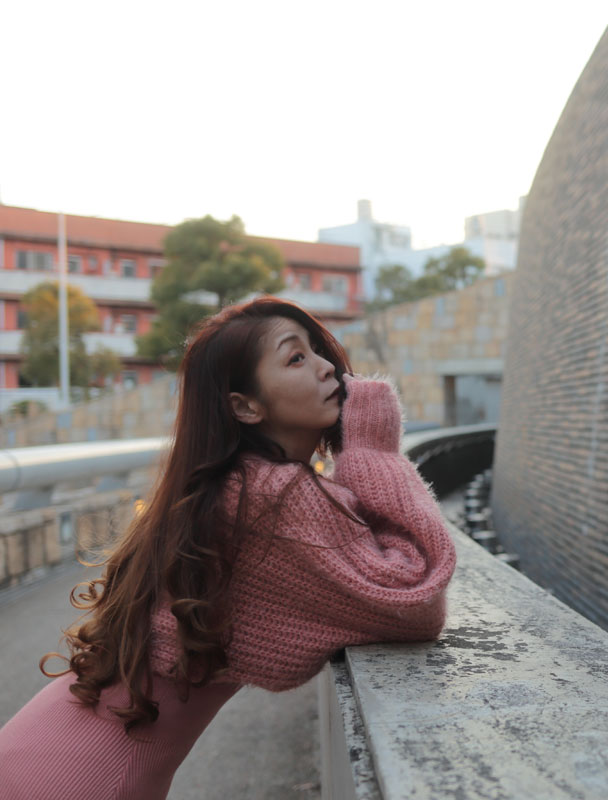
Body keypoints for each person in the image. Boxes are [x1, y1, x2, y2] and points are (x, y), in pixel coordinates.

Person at [0, 296, 457, 798]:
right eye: (296, 358)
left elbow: (365, 552)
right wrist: (372, 449)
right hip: (82, 777)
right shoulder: (272, 495)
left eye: (318, 351)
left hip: (50, 750)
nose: (327, 367)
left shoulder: (236, 485)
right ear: (244, 406)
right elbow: (414, 598)